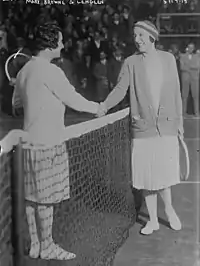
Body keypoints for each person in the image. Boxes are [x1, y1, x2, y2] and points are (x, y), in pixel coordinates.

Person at [12, 22, 99, 260]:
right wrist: (98, 109)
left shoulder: (24, 71)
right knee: (46, 200)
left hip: (28, 144)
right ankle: (48, 245)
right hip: (49, 143)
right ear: (50, 44)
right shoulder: (51, 71)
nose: (62, 45)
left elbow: (16, 107)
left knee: (32, 196)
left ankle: (36, 245)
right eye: (59, 41)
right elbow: (74, 100)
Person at [97, 20, 184, 235]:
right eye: (135, 36)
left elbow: (176, 94)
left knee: (163, 174)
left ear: (152, 37)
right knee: (147, 175)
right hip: (142, 127)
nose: (137, 40)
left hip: (167, 126)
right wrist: (104, 106)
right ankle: (152, 220)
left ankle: (170, 210)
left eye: (141, 36)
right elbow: (120, 89)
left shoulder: (168, 59)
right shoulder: (130, 63)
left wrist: (179, 122)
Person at [180, 42, 200, 117]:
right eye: (189, 47)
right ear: (187, 48)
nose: (190, 49)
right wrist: (192, 67)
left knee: (196, 96)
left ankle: (196, 112)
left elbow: (197, 66)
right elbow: (182, 67)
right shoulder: (183, 56)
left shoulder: (197, 56)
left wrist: (188, 66)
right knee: (184, 96)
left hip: (195, 79)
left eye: (192, 47)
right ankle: (183, 112)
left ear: (194, 48)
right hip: (185, 78)